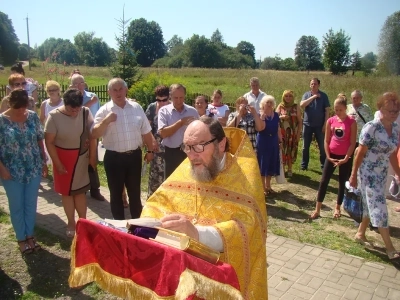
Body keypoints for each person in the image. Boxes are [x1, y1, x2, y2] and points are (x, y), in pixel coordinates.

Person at [141, 117, 268, 299]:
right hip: (183, 276)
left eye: (199, 146)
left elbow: (249, 228)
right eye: (187, 147)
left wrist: (197, 234)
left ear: (221, 144)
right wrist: (149, 223)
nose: (192, 156)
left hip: (222, 281)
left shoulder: (245, 177)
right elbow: (158, 201)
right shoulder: (190, 165)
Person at [92, 78, 155, 220]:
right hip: (114, 158)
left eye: (121, 89)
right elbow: (94, 134)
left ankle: (137, 226)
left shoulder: (136, 107)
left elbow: (146, 130)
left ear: (126, 90)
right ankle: (119, 227)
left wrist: (150, 150)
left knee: (135, 193)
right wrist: (106, 120)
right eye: (114, 90)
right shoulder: (104, 111)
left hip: (134, 157)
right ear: (109, 92)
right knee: (115, 195)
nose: (118, 92)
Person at [349, 92, 400, 262]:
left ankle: (360, 233)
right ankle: (389, 247)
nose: (394, 114)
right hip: (368, 172)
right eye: (390, 110)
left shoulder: (396, 129)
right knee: (379, 206)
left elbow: (392, 154)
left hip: (382, 173)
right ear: (381, 109)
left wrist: (399, 174)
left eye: (396, 111)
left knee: (369, 204)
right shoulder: (371, 127)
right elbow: (360, 153)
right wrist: (353, 175)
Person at [0, 89, 47, 254]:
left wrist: (43, 162)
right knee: (16, 205)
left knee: (30, 203)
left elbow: (40, 139)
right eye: (17, 107)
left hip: (33, 167)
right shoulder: (1, 121)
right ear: (10, 103)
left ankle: (30, 236)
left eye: (24, 107)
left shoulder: (32, 116)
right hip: (11, 171)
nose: (21, 110)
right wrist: (2, 169)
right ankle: (21, 238)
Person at [45, 89, 97, 238]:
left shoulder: (85, 112)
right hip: (62, 159)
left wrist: (92, 156)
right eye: (71, 109)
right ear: (65, 103)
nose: (75, 112)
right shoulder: (54, 116)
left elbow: (93, 134)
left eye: (77, 108)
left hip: (81, 157)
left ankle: (83, 222)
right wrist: (57, 162)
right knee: (67, 193)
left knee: (80, 192)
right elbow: (49, 142)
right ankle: (70, 222)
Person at [310, 97, 357, 219]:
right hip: (331, 155)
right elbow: (326, 140)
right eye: (336, 110)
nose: (338, 112)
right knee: (324, 181)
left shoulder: (351, 122)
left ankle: (337, 207)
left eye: (340, 110)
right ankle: (317, 209)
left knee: (342, 182)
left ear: (345, 108)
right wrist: (328, 156)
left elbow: (353, 142)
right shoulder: (330, 121)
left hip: (345, 157)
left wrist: (346, 158)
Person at [70, 74, 106, 202]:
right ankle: (81, 189)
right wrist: (88, 104)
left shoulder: (93, 96)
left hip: (91, 133)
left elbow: (98, 114)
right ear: (71, 85)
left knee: (92, 160)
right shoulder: (70, 97)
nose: (79, 86)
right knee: (79, 162)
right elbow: (72, 111)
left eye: (81, 83)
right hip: (75, 134)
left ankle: (95, 190)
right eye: (76, 83)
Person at [158, 84, 199, 179]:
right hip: (171, 153)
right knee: (171, 182)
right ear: (170, 96)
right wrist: (181, 122)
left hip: (190, 152)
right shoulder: (164, 111)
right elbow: (163, 133)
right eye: (176, 98)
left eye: (181, 97)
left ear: (185, 96)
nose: (179, 100)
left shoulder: (192, 111)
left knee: (189, 180)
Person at [300, 78, 330, 171]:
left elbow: (327, 111)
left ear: (319, 85)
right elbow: (302, 105)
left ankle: (323, 166)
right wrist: (313, 97)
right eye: (312, 84)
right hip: (307, 124)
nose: (313, 85)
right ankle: (304, 165)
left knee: (322, 146)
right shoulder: (306, 95)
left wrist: (325, 124)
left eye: (315, 84)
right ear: (310, 85)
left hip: (319, 125)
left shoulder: (324, 96)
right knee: (305, 147)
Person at [255, 95, 282, 195]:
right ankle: (263, 188)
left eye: (271, 102)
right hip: (263, 141)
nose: (269, 104)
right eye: (267, 102)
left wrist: (280, 141)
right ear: (263, 104)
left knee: (271, 162)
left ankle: (268, 185)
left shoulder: (276, 115)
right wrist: (262, 118)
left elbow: (278, 128)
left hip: (273, 140)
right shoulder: (260, 115)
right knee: (263, 163)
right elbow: (260, 129)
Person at [145, 85, 170, 197]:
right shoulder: (152, 108)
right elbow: (146, 128)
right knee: (154, 178)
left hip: (169, 149)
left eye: (164, 100)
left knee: (168, 178)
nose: (161, 102)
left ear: (169, 98)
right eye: (158, 100)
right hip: (155, 148)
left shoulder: (173, 108)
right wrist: (151, 144)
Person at [276, 90, 302, 177]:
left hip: (292, 133)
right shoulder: (280, 106)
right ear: (283, 97)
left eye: (290, 96)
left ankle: (290, 169)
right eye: (286, 96)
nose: (288, 98)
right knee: (283, 150)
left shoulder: (296, 106)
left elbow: (300, 121)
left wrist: (298, 133)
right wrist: (281, 117)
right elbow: (275, 118)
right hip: (282, 133)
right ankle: (282, 169)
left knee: (291, 150)